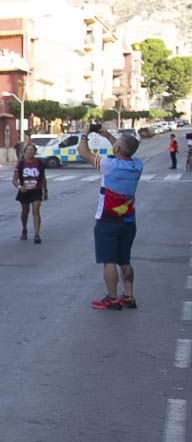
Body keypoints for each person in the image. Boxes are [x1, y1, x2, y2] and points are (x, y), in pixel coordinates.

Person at [79, 127, 143, 309]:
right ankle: (129, 296)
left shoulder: (109, 165)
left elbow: (84, 153)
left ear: (117, 149)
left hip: (108, 220)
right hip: (128, 221)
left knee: (109, 261)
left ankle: (112, 298)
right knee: (125, 260)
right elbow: (124, 149)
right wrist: (107, 135)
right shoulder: (137, 165)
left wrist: (84, 133)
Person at [12, 144, 47, 244]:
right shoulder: (21, 164)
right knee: (25, 211)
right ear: (25, 152)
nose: (30, 152)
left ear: (35, 152)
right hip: (24, 191)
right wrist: (20, 187)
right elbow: (14, 180)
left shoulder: (39, 163)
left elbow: (43, 178)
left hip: (36, 190)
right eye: (28, 150)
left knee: (36, 210)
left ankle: (36, 234)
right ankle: (24, 228)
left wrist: (45, 191)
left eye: (32, 150)